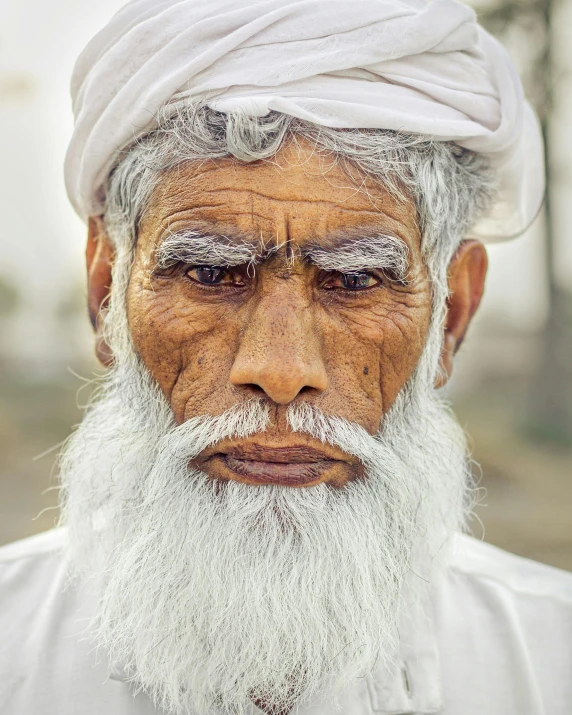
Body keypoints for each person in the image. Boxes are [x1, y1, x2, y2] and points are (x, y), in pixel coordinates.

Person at [1, 1, 570, 714]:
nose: (278, 369)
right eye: (209, 273)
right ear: (106, 287)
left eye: (356, 280)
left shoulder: (551, 660)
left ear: (452, 311)